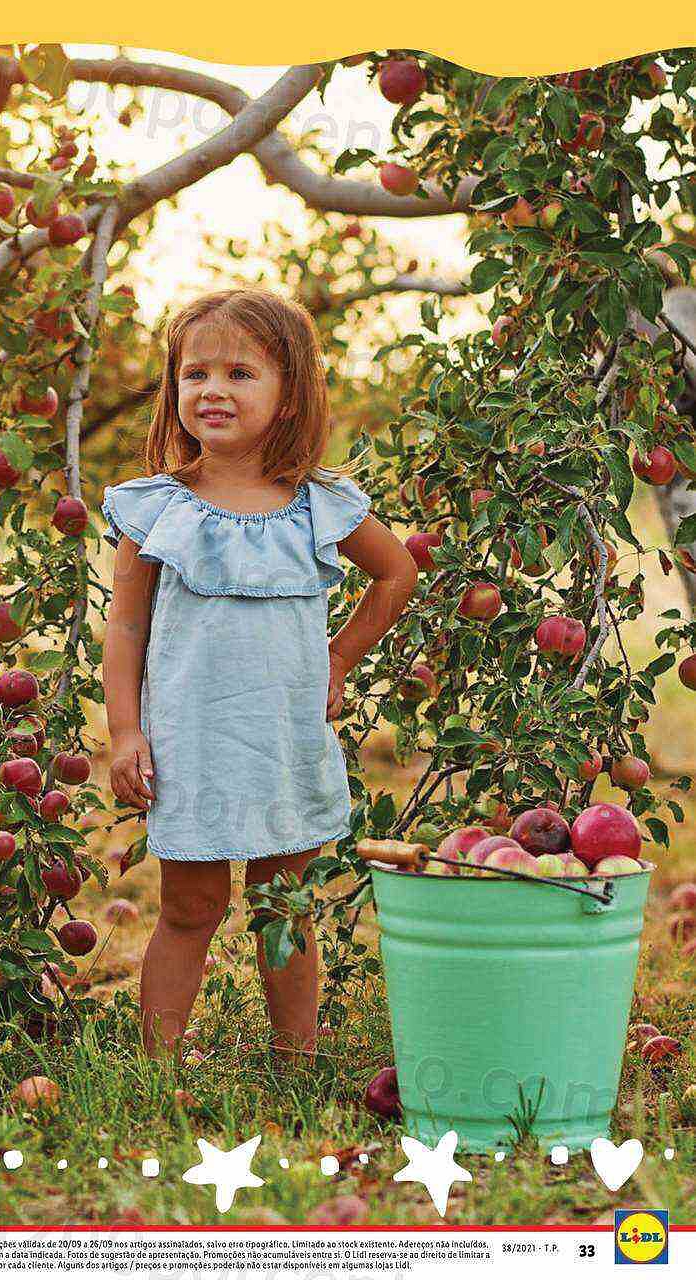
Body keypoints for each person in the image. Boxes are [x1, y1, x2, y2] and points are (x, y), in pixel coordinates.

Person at [100, 287, 417, 1064]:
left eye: (241, 373)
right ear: (173, 389)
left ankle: (295, 1060)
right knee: (190, 906)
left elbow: (397, 574)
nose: (212, 389)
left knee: (283, 904)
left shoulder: (318, 504)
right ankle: (156, 1065)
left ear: (288, 395)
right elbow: (127, 625)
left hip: (278, 738)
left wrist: (339, 657)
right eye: (194, 373)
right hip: (192, 741)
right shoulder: (158, 509)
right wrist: (124, 731)